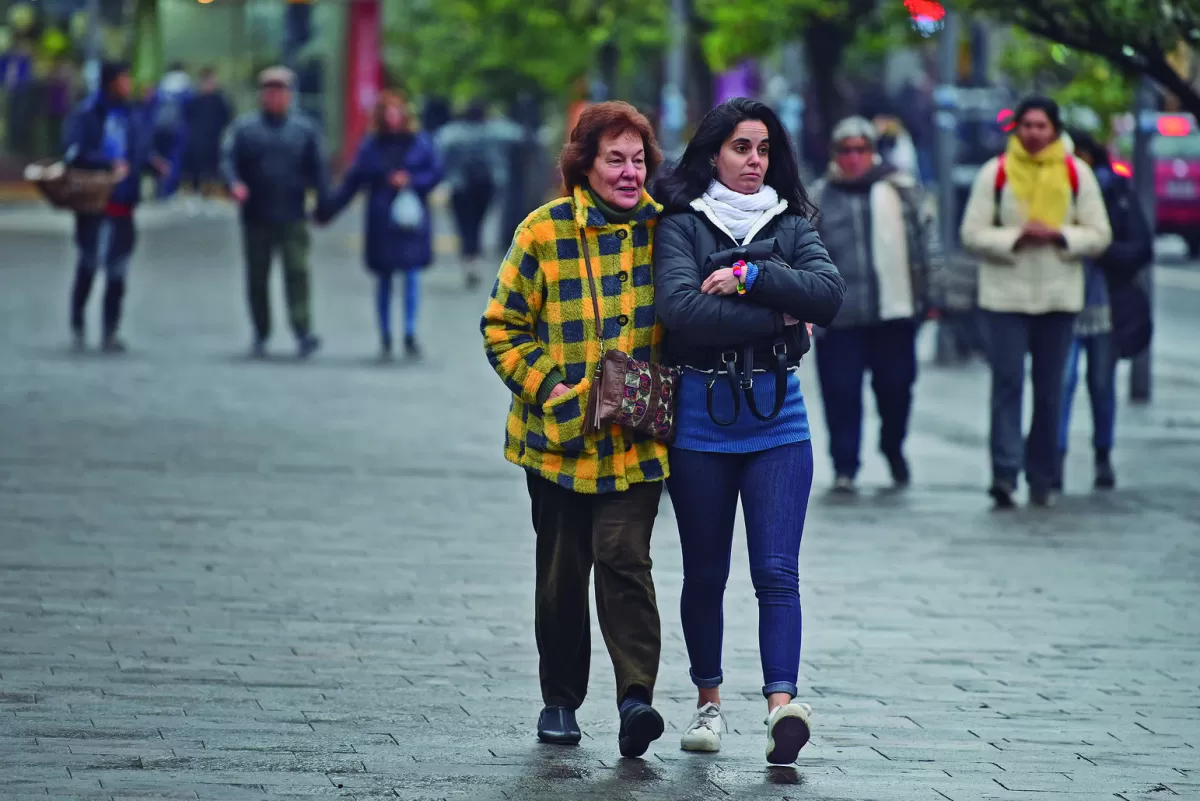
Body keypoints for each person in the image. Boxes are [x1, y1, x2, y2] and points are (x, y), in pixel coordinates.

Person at [652, 98, 845, 764]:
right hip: (699, 419)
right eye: (740, 147)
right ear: (713, 154)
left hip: (779, 417)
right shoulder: (681, 223)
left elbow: (827, 294)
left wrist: (752, 275)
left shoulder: (789, 222)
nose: (754, 160)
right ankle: (708, 704)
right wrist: (780, 316)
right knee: (705, 572)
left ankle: (780, 707)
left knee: (776, 572)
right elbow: (681, 311)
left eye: (763, 148)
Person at [480, 101, 669, 759]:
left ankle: (636, 698)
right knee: (561, 575)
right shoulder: (543, 231)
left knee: (624, 558)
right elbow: (501, 327)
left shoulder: (667, 231)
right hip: (557, 442)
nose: (629, 172)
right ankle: (559, 698)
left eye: (638, 159)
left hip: (636, 439)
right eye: (615, 159)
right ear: (585, 164)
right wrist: (551, 389)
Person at [960, 96, 1111, 509]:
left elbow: (1099, 234)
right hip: (1005, 297)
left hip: (1058, 298)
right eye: (1026, 125)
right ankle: (1004, 474)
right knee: (1007, 384)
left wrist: (1060, 235)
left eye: (1041, 125)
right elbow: (971, 233)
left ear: (1055, 129)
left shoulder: (1076, 173)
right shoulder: (996, 173)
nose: (1033, 133)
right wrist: (1015, 237)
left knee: (1049, 390)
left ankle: (1042, 475)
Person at [808, 115, 941, 493]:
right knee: (841, 394)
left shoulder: (901, 190)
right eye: (845, 150)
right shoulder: (819, 196)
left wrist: (933, 294)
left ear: (872, 152)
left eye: (861, 149)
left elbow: (927, 243)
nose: (853, 158)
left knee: (897, 389)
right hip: (839, 318)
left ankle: (892, 446)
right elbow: (802, 253)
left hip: (893, 314)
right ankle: (845, 466)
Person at [1056, 128, 1153, 491]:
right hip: (1062, 302)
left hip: (1104, 305)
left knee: (1101, 383)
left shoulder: (1114, 190)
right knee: (1061, 382)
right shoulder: (1054, 190)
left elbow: (1139, 248)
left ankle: (1102, 454)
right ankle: (1054, 457)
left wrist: (1101, 250)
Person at [319, 91, 443, 360]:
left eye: (396, 113)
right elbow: (353, 181)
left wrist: (411, 180)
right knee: (384, 277)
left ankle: (409, 332)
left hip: (411, 220)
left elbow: (436, 172)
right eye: (387, 113)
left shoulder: (420, 143)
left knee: (411, 275)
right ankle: (385, 335)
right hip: (382, 219)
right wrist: (328, 210)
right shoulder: (370, 146)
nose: (392, 118)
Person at [222, 66, 328, 359]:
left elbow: (319, 170)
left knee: (297, 272)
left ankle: (303, 329)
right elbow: (228, 161)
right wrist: (234, 184)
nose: (275, 97)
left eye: (281, 91)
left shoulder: (304, 130)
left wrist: (323, 205)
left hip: (292, 213)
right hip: (256, 214)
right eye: (269, 91)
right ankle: (261, 331)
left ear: (290, 95)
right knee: (257, 277)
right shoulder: (246, 129)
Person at [62, 60, 168, 352]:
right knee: (89, 263)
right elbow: (74, 152)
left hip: (123, 203)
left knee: (118, 270)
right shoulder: (88, 113)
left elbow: (137, 150)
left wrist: (151, 164)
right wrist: (106, 164)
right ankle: (78, 321)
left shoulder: (131, 113)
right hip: (94, 202)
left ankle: (110, 329)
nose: (128, 84)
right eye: (124, 79)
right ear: (111, 82)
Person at [436, 101, 502, 289]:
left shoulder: (451, 134)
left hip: (460, 186)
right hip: (486, 184)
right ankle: (474, 258)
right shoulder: (493, 133)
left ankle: (469, 259)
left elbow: (441, 154)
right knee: (479, 223)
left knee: (464, 225)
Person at [182, 67, 233, 211]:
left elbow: (228, 118)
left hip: (215, 141)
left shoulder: (220, 100)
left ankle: (212, 193)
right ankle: (195, 193)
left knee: (214, 169)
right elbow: (187, 119)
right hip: (197, 141)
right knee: (196, 170)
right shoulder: (194, 101)